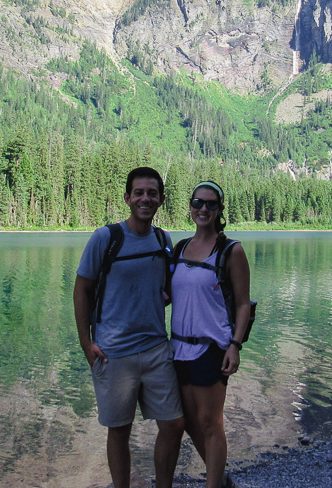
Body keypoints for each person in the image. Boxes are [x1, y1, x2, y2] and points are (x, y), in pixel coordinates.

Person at [73, 167, 185, 488]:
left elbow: (164, 291)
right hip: (113, 353)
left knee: (174, 424)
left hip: (155, 349)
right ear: (127, 198)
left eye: (152, 193)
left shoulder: (164, 240)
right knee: (120, 430)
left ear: (161, 199)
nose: (145, 199)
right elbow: (81, 289)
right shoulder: (106, 238)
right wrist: (85, 342)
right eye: (139, 193)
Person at [169, 181, 251, 488]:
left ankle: (213, 484)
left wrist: (235, 345)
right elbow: (169, 294)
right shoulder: (179, 248)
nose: (204, 209)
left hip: (211, 347)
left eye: (211, 204)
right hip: (177, 349)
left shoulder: (231, 251)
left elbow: (243, 304)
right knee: (189, 423)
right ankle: (222, 479)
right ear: (190, 207)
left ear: (220, 210)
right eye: (198, 203)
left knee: (210, 423)